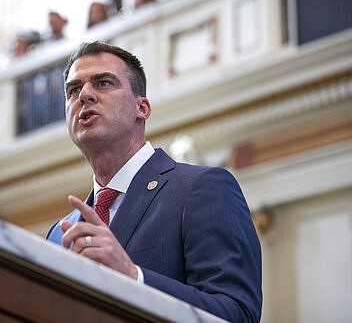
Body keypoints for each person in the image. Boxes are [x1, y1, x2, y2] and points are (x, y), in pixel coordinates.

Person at [46, 41, 262, 322]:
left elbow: (237, 313)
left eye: (103, 83)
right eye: (73, 89)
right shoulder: (59, 234)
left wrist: (134, 278)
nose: (84, 94)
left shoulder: (201, 189)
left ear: (142, 108)